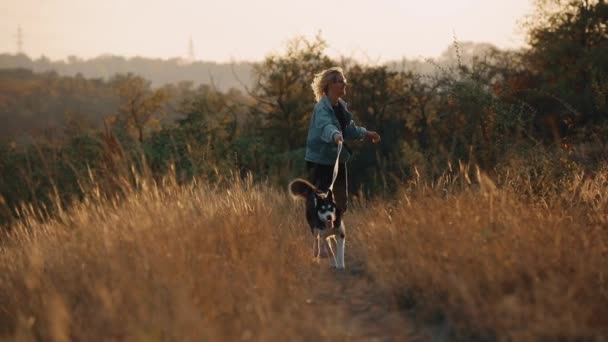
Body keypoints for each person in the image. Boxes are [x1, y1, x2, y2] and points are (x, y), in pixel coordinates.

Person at [305, 67, 381, 218]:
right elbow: (326, 126)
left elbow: (349, 129)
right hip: (319, 162)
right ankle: (319, 235)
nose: (345, 84)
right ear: (330, 85)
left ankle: (334, 232)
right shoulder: (321, 108)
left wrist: (366, 133)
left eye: (344, 81)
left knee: (341, 203)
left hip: (337, 160)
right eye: (341, 81)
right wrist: (335, 135)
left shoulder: (341, 106)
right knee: (319, 202)